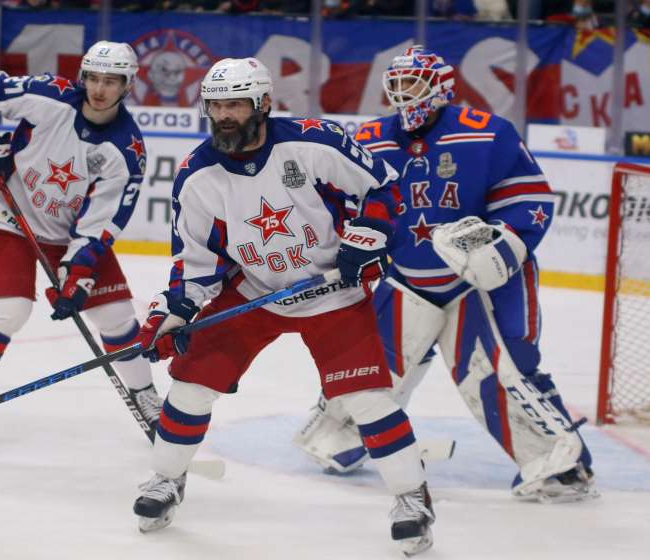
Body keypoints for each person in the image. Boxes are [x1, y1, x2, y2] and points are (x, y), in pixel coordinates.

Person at [129, 57, 435, 556]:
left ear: (264, 103)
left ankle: (411, 497)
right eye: (216, 105)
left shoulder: (314, 142)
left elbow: (381, 186)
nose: (224, 115)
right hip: (255, 289)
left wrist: (372, 230)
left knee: (366, 399)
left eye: (236, 104)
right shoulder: (197, 176)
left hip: (330, 288)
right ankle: (166, 479)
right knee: (191, 383)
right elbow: (196, 263)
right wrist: (177, 310)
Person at [294, 45, 598, 503]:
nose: (402, 95)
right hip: (406, 278)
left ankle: (562, 464)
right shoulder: (371, 138)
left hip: (476, 282)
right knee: (373, 364)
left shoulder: (487, 133)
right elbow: (340, 202)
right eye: (394, 85)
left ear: (440, 87)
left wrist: (506, 243)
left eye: (411, 85)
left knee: (500, 370)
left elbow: (528, 199)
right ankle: (342, 435)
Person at [0, 41, 160, 456]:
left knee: (116, 314)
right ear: (82, 76)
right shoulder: (49, 95)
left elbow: (101, 222)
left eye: (111, 81)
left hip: (68, 233)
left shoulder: (126, 150)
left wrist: (77, 273)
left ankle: (145, 396)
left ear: (128, 85)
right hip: (10, 218)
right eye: (93, 78)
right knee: (6, 311)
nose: (99, 89)